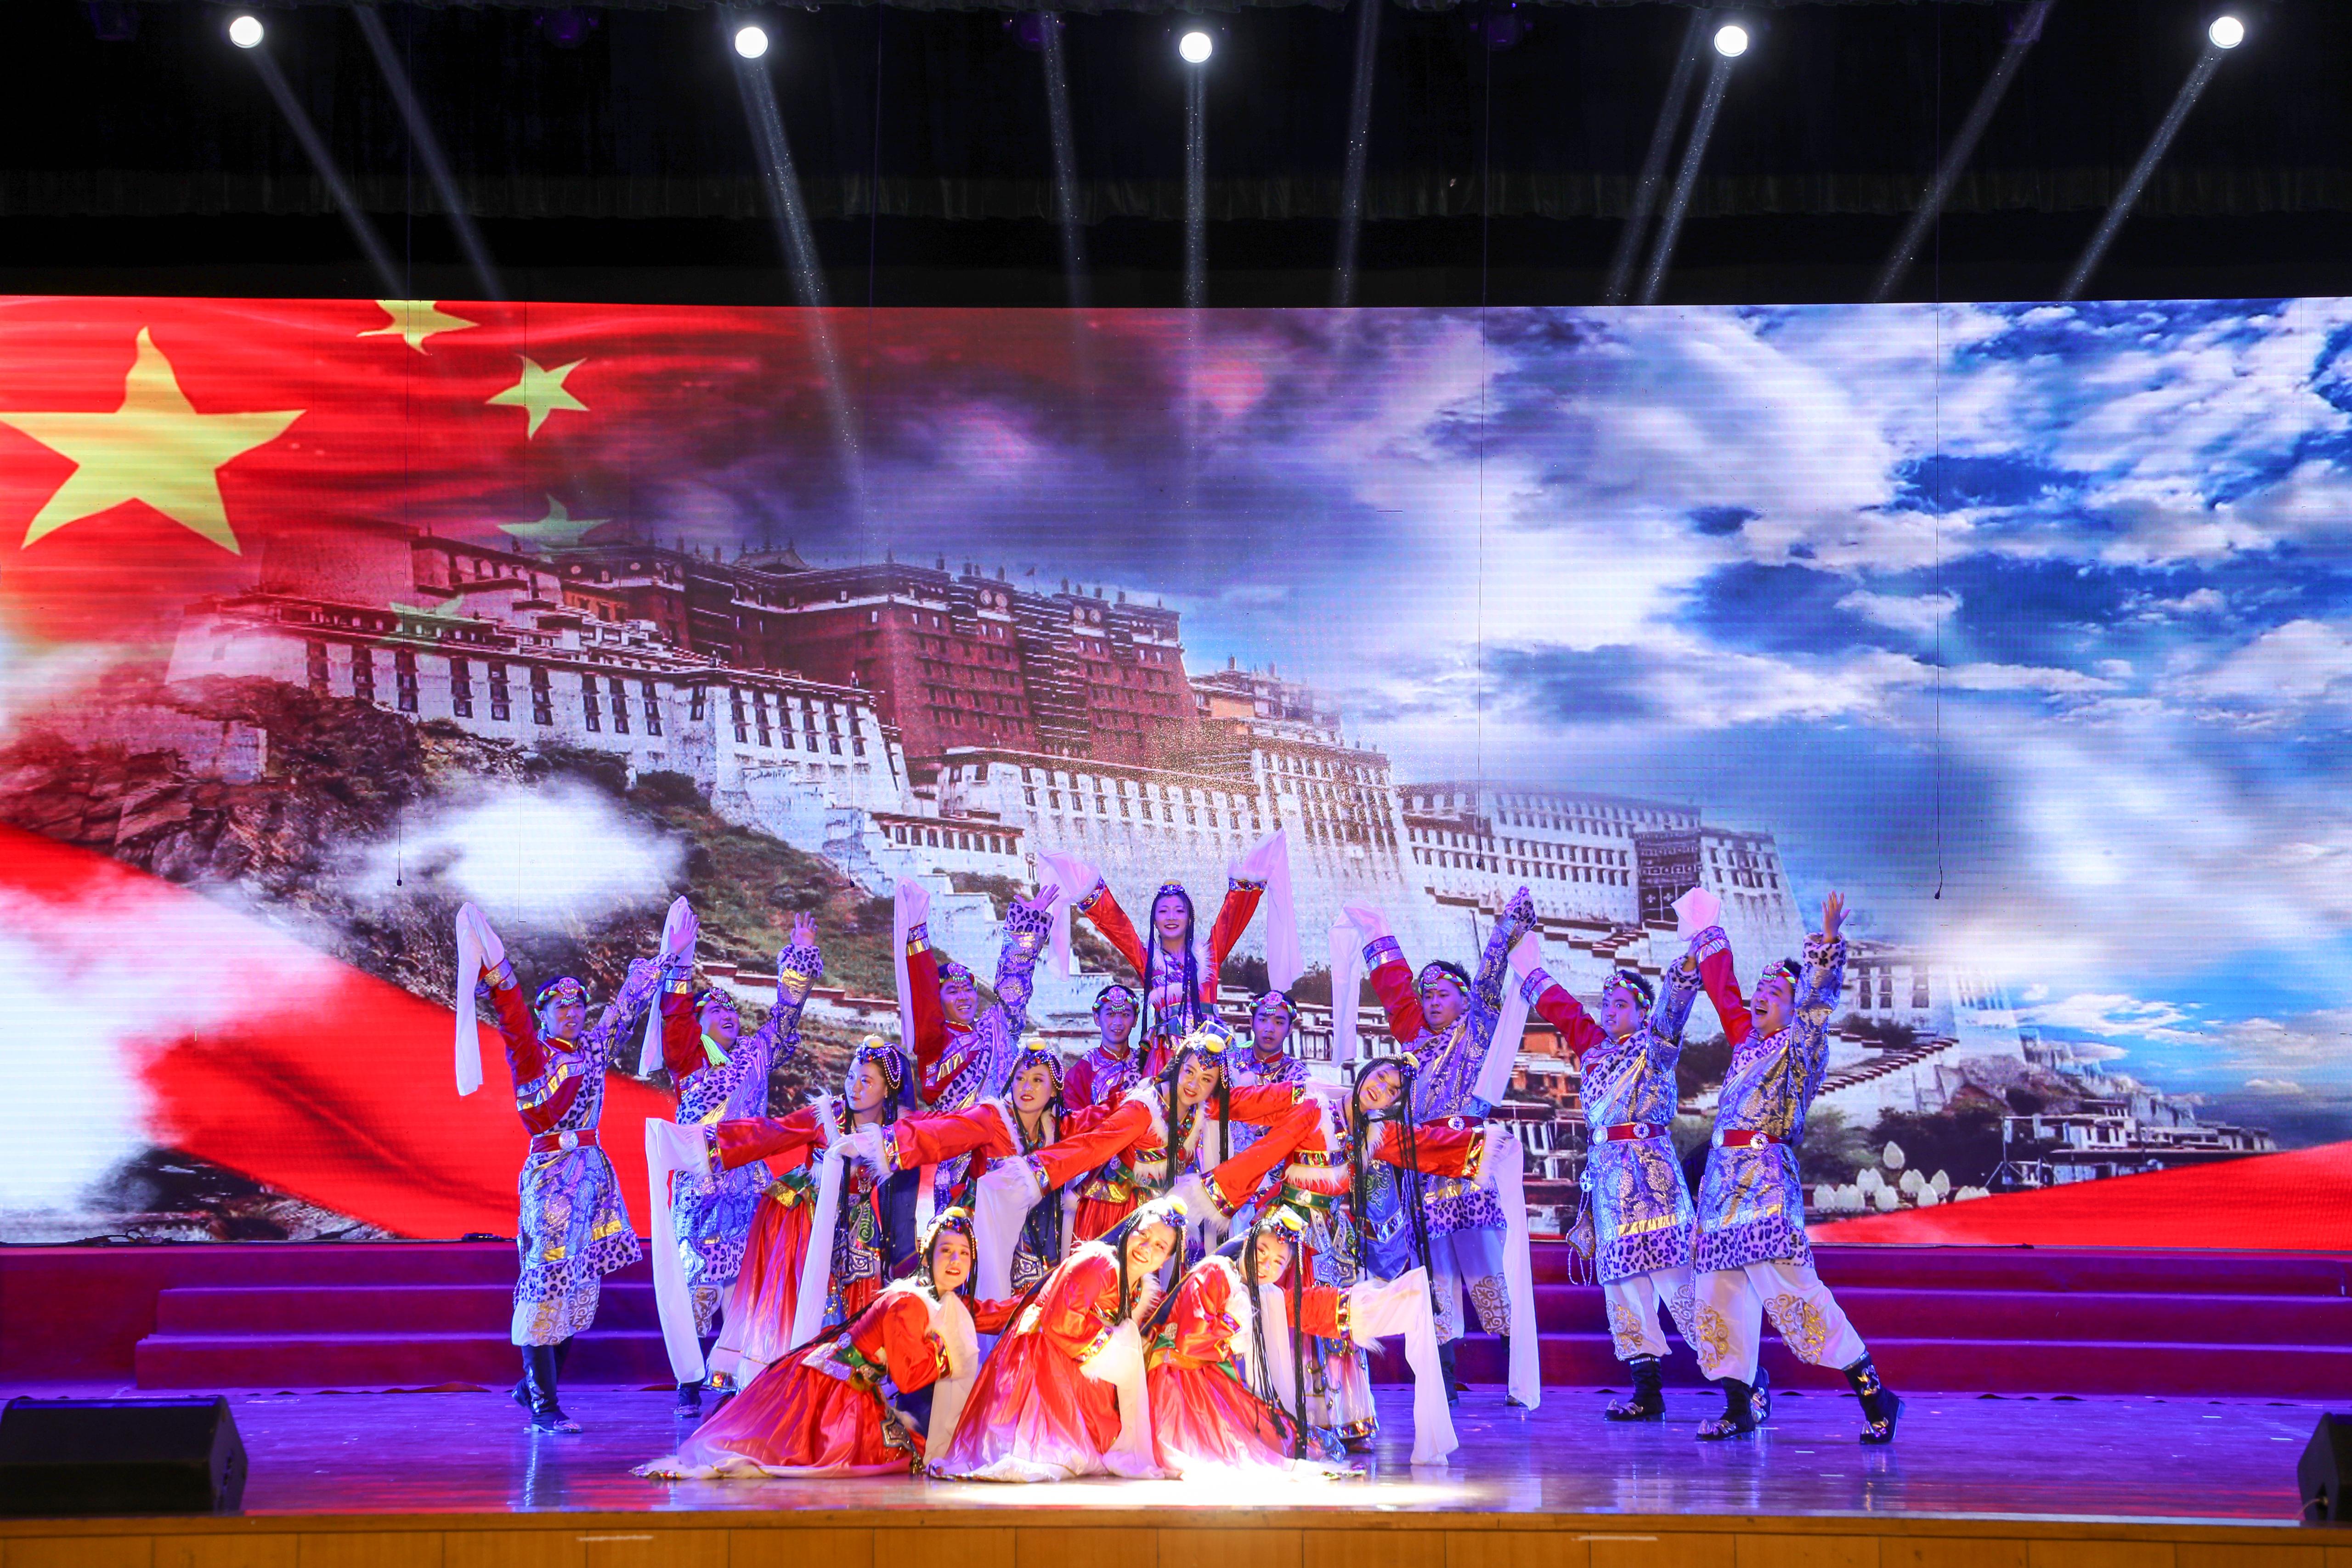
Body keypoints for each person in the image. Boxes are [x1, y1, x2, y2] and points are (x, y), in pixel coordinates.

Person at [453, 901, 690, 1433]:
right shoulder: (531, 1051)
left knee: (578, 1283)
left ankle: (534, 1386)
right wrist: (496, 966)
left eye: (579, 1005)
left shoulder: (593, 1047)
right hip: (549, 1176)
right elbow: (510, 1009)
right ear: (543, 1013)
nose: (572, 1013)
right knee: (546, 1278)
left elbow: (627, 1004)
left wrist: (668, 955)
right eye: (561, 1006)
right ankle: (543, 1403)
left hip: (591, 1178)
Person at [1686, 893, 1901, 1444]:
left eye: (1774, 992)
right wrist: (1704, 935)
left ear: (1792, 1006)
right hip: (1720, 1190)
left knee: (1796, 1294)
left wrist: (1826, 943)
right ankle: (1740, 1406)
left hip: (1763, 1185)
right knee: (1717, 1299)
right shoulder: (1746, 1047)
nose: (1760, 996)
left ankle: (1874, 1395)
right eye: (1759, 989)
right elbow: (1724, 993)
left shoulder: (1799, 1047)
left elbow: (1815, 1003)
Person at [638, 1209, 1020, 1478]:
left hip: (851, 1384)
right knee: (889, 1454)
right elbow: (908, 1376)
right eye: (946, 1250)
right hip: (832, 1387)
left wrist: (1037, 1298)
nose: (955, 1260)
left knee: (909, 1450)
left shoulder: (943, 1301)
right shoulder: (909, 1302)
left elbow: (983, 1313)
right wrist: (948, 1353)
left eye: (964, 1253)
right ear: (928, 1255)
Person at [1510, 931, 1706, 1421]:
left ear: (1643, 1012)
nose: (1610, 1011)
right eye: (1607, 1004)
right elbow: (1564, 1012)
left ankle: (1743, 1386)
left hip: (1654, 1184)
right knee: (1624, 1292)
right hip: (1609, 1188)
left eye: (1621, 1004)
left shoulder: (1655, 1047)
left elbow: (1673, 1013)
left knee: (1683, 1289)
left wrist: (1685, 969)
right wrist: (1530, 971)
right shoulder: (1596, 1050)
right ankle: (1647, 1393)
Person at [1349, 889, 1539, 1387]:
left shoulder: (1475, 1031)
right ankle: (1445, 1379)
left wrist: (1504, 932)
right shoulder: (1415, 1050)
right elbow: (1395, 993)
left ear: (1464, 999)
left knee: (1488, 1269)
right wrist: (1375, 934)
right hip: (1424, 1171)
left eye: (1442, 994)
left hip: (1470, 1166)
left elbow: (1491, 981)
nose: (1433, 1002)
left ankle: (1518, 1375)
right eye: (1427, 996)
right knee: (1435, 1275)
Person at [696, 1038, 919, 1393]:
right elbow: (772, 1133)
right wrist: (708, 1145)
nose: (854, 1087)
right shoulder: (828, 1115)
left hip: (857, 1224)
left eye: (866, 1081)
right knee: (803, 1301)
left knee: (857, 1301)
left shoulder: (895, 1131)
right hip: (804, 1220)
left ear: (888, 1089)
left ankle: (843, 1387)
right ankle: (785, 1383)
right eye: (851, 1077)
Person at [669, 911, 821, 1416]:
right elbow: (673, 1017)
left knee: (747, 1286)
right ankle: (689, 1382)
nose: (729, 1014)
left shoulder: (756, 1054)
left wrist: (800, 955)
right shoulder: (688, 1061)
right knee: (697, 1286)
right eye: (716, 1009)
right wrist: (681, 960)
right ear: (698, 1024)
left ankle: (738, 1377)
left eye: (732, 1008)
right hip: (701, 1187)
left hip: (749, 1186)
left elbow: (785, 1016)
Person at [929, 1197, 1188, 1482]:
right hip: (1039, 1360)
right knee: (1049, 1452)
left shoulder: (1138, 1289)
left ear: (1166, 1259)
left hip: (1076, 1363)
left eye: (1160, 1246)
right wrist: (1117, 1343)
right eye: (1144, 1234)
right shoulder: (1099, 1263)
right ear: (1130, 1229)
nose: (1146, 1248)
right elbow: (1059, 1321)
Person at [1045, 831, 1291, 1062]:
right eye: (1163, 911)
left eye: (1179, 911)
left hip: (1210, 1048)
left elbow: (1231, 922)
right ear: (1154, 919)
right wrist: (1084, 885)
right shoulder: (1148, 961)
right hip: (1166, 1052)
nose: (1171, 917)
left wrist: (1250, 879)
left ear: (1189, 918)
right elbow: (1119, 928)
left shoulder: (1208, 956)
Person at [882, 1041, 1094, 1292]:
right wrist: (884, 1143)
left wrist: (1133, 1103)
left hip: (1032, 1234)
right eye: (1020, 1078)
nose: (1027, 1087)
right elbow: (940, 1132)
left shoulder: (1056, 1130)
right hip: (983, 1229)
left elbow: (1097, 1124)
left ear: (1054, 1092)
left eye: (1038, 1080)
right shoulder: (994, 1118)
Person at [899, 882, 1057, 1119]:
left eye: (968, 990)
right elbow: (923, 994)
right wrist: (915, 931)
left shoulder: (995, 1029)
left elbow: (1014, 985)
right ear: (938, 1000)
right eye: (952, 991)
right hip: (956, 1138)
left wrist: (1027, 928)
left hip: (1007, 1135)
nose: (963, 997)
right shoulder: (934, 1041)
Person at [1062, 983, 1144, 1113]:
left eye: (1125, 1015)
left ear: (1135, 1020)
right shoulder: (1083, 1071)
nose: (1118, 1023)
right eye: (1110, 1014)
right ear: (1097, 1019)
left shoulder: (1144, 1062)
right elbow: (1073, 1119)